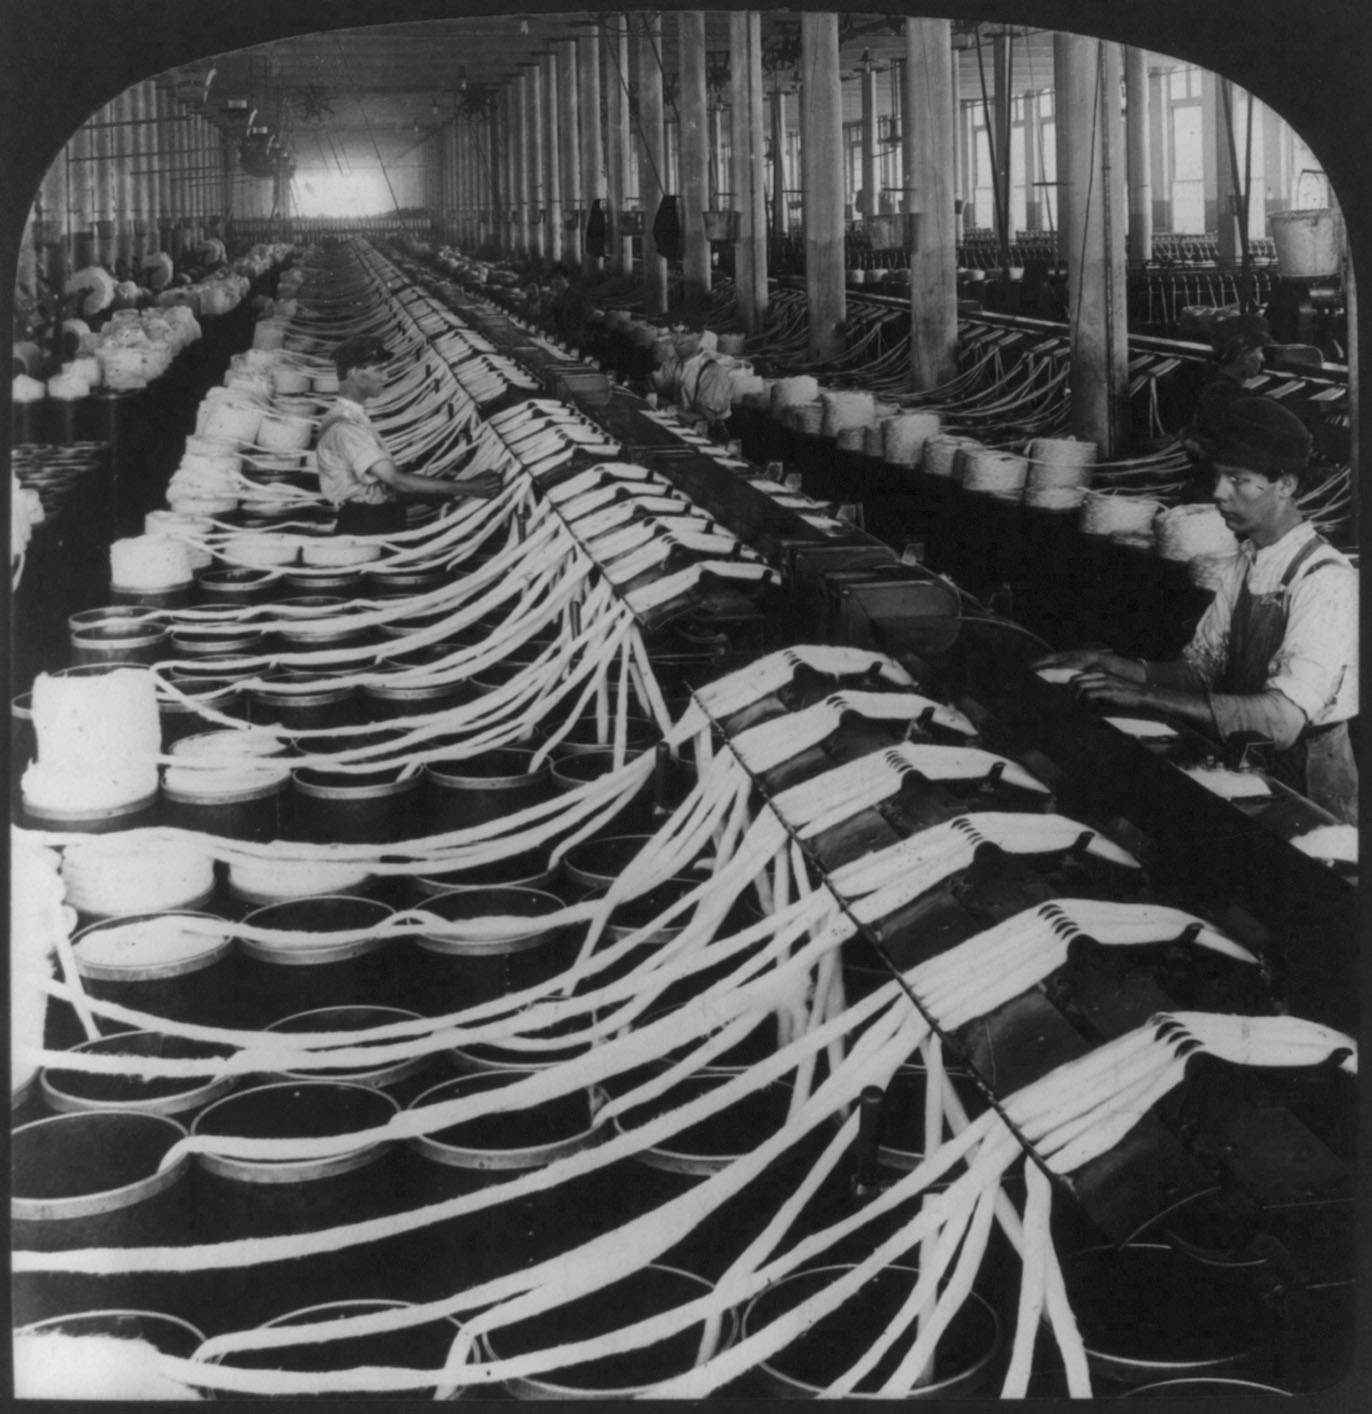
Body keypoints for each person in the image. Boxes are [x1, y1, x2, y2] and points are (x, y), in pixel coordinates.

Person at [1034, 395, 1358, 824]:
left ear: (1286, 485)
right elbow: (1201, 672)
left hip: (1308, 783)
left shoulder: (1326, 580)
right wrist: (1115, 666)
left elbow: (1280, 723)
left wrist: (1146, 696)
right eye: (1219, 476)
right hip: (1251, 759)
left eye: (1238, 480)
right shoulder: (1247, 560)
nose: (1218, 493)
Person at [317, 334, 503, 535]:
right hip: (366, 525)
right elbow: (395, 480)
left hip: (374, 517)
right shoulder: (346, 429)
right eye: (379, 370)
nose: (386, 377)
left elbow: (381, 485)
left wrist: (433, 494)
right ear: (354, 373)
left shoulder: (353, 417)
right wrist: (467, 487)